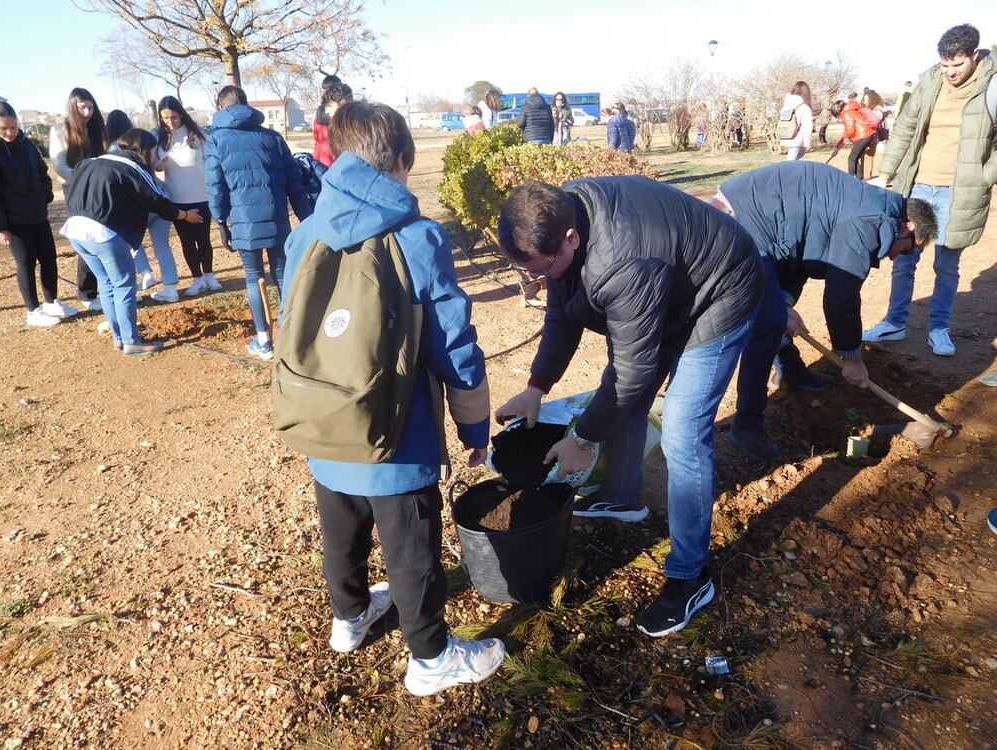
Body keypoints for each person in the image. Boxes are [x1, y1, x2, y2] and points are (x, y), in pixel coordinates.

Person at [281, 101, 505, 695]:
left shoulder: (303, 232)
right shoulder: (418, 236)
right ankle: (431, 657)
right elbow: (452, 345)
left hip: (322, 416)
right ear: (403, 159)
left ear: (335, 155)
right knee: (412, 547)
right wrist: (473, 426)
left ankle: (350, 618)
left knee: (341, 526)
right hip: (397, 432)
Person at [495, 177, 764, 636]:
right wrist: (536, 386)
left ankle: (690, 577)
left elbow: (632, 373)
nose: (540, 280)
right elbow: (562, 312)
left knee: (681, 429)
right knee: (625, 398)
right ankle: (622, 498)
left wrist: (582, 439)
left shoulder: (622, 263)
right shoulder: (560, 219)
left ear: (571, 239)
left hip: (720, 290)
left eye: (543, 268)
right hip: (669, 283)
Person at [714, 161, 938, 462]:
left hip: (762, 224)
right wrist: (852, 358)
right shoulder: (869, 221)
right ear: (908, 227)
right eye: (910, 249)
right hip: (738, 224)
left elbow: (804, 252)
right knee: (767, 324)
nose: (901, 257)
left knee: (777, 311)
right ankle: (746, 425)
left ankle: (792, 373)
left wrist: (785, 300)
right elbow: (841, 298)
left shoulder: (870, 207)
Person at [863, 24, 997, 358]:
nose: (950, 72)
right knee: (904, 257)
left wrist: (985, 175)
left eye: (958, 65)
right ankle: (895, 322)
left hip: (962, 190)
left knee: (947, 265)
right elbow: (906, 129)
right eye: (944, 65)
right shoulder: (930, 83)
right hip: (919, 185)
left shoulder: (992, 85)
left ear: (975, 55)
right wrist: (884, 174)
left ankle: (939, 328)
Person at [61, 128, 204, 355]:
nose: (155, 157)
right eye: (154, 151)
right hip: (104, 235)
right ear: (143, 150)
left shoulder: (89, 163)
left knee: (107, 285)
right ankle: (132, 342)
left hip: (76, 231)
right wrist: (185, 215)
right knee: (125, 286)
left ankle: (118, 338)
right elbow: (157, 201)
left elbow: (69, 189)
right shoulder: (133, 169)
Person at [205, 85, 312, 360]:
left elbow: (215, 186)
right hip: (277, 219)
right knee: (282, 276)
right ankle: (291, 336)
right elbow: (294, 183)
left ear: (221, 108)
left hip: (243, 222)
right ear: (246, 104)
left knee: (254, 278)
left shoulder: (216, 140)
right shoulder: (273, 137)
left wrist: (220, 221)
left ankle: (264, 341)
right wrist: (307, 219)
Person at [0, 101, 77, 327]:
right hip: (13, 221)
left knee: (49, 258)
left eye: (13, 127)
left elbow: (44, 174)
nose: (10, 132)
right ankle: (33, 311)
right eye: (3, 128)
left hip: (38, 215)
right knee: (26, 263)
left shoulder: (28, 146)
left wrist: (45, 196)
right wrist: (0, 227)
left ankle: (52, 301)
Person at [105, 110, 180, 303]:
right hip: (159, 197)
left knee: (133, 244)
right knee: (162, 245)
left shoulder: (113, 149)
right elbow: (151, 167)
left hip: (137, 204)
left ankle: (145, 274)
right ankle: (170, 287)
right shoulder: (143, 141)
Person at [49, 87, 107, 311]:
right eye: (83, 107)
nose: (87, 112)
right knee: (86, 238)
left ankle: (105, 288)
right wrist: (82, 179)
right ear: (73, 106)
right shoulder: (60, 130)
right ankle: (87, 294)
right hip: (75, 188)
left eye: (91, 107)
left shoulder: (96, 127)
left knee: (103, 236)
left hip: (98, 187)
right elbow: (59, 165)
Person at [155, 95, 217, 298]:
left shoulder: (198, 136)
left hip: (202, 195)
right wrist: (158, 166)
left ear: (181, 114)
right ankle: (197, 278)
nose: (169, 122)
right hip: (177, 198)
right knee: (187, 241)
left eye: (173, 117)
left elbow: (210, 163)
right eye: (165, 118)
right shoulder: (160, 139)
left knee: (204, 239)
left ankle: (209, 274)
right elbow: (153, 163)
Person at [829, 98, 877, 179]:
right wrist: (837, 147)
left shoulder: (847, 114)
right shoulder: (852, 111)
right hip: (868, 135)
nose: (838, 118)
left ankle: (850, 180)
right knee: (855, 158)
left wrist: (838, 147)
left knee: (851, 159)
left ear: (838, 111)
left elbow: (850, 131)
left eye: (837, 116)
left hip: (863, 136)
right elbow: (847, 132)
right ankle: (858, 180)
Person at [313, 78, 352, 168]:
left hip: (334, 164)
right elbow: (318, 140)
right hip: (326, 162)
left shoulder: (352, 123)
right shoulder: (322, 113)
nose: (326, 111)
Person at [779, 81, 813, 161]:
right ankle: (784, 173)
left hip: (785, 135)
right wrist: (807, 143)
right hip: (796, 139)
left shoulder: (786, 105)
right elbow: (807, 128)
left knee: (795, 158)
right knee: (790, 163)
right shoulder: (804, 108)